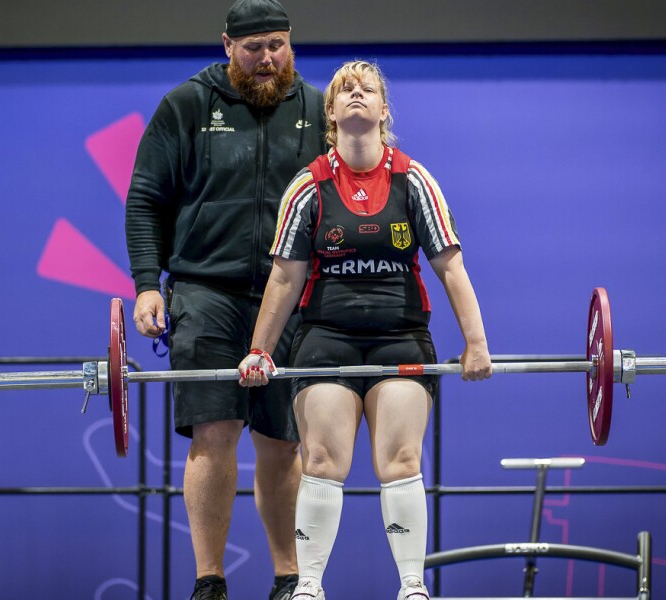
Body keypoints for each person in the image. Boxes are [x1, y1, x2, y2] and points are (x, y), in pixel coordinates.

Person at [237, 60, 493, 600]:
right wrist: (259, 351)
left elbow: (451, 267)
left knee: (398, 460)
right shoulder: (308, 187)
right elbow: (284, 279)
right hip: (326, 337)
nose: (356, 95)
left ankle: (411, 586)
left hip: (400, 336)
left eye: (367, 89)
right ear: (330, 112)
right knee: (325, 460)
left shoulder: (414, 180)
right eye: (345, 90)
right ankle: (308, 586)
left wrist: (476, 344)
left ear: (382, 110)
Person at [124, 0, 326, 598]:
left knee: (283, 441)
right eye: (254, 47)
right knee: (214, 432)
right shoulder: (187, 104)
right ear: (227, 46)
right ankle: (209, 581)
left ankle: (288, 577)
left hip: (288, 296)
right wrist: (144, 285)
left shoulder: (317, 108)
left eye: (278, 45)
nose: (267, 60)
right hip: (204, 288)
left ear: (290, 44)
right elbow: (145, 200)